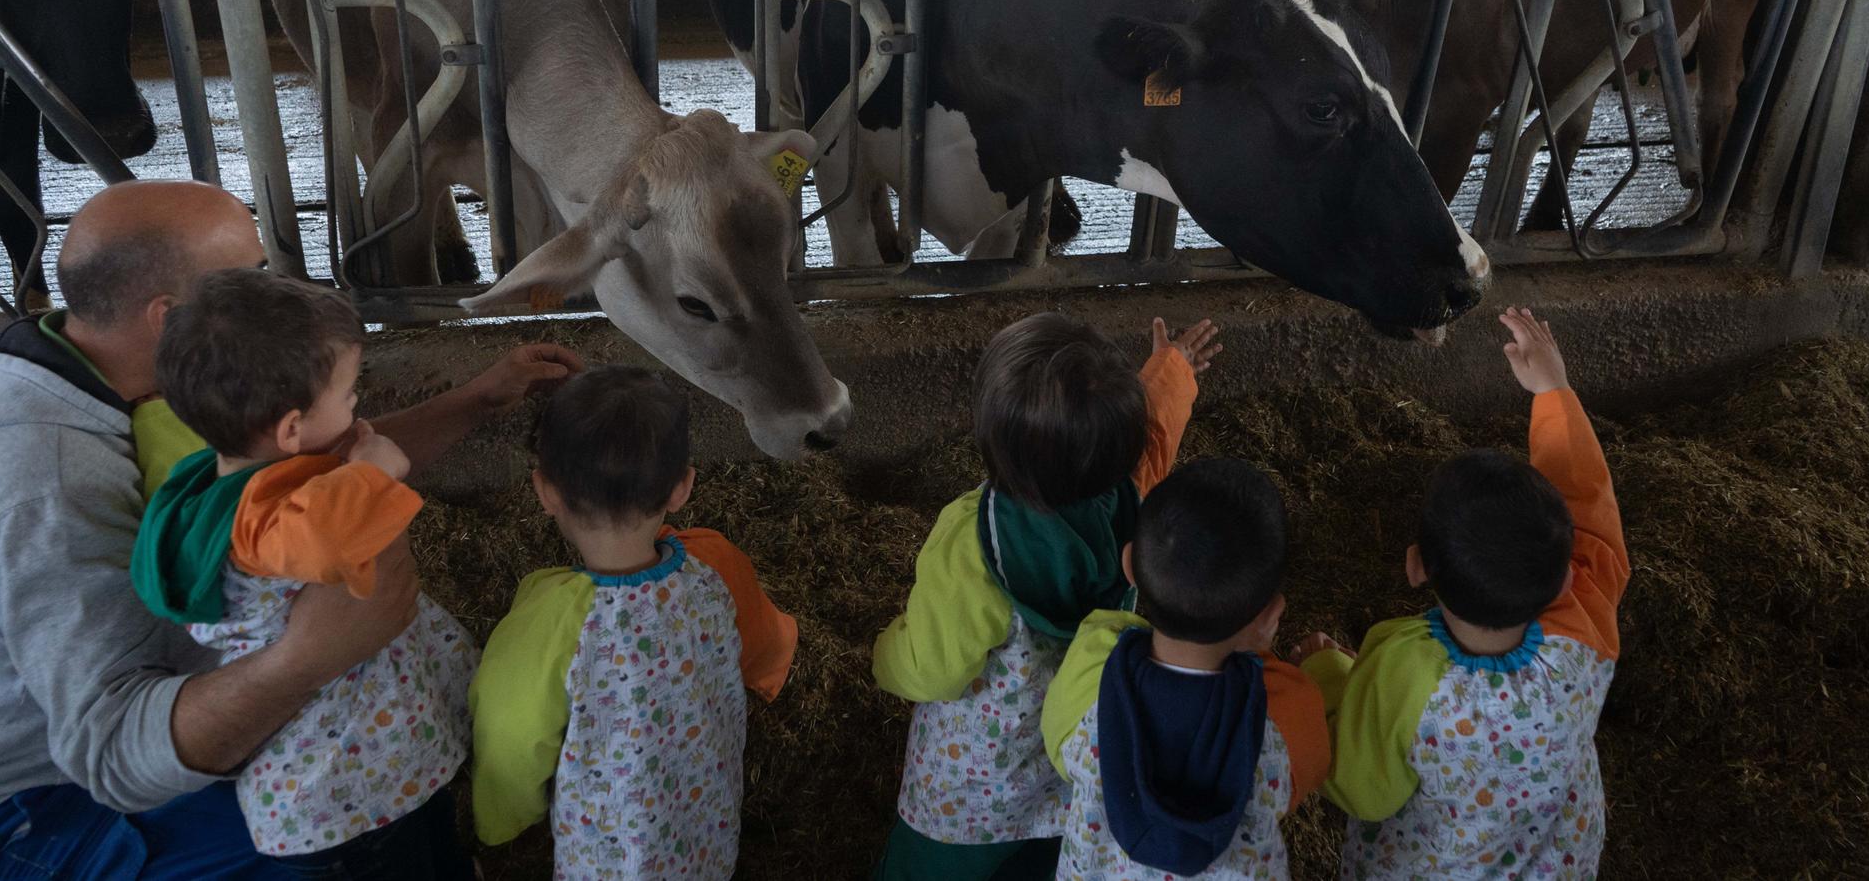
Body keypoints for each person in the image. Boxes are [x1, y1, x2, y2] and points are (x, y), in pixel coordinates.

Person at [0, 180, 577, 880]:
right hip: (14, 808)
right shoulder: (49, 490)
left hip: (94, 730)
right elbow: (111, 754)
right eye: (252, 277)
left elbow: (289, 475)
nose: (279, 288)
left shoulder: (121, 384)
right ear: (170, 320)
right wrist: (306, 657)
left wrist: (473, 400)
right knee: (336, 823)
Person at [132, 269, 479, 877]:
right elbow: (322, 535)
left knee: (430, 837)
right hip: (343, 793)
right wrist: (374, 470)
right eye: (349, 395)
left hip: (368, 770)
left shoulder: (212, 483)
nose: (357, 407)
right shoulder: (272, 526)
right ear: (291, 429)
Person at [870, 312, 1222, 881]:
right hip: (1076, 752)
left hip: (974, 788)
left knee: (927, 867)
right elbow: (1150, 442)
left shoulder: (972, 538)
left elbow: (934, 670)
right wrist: (1171, 371)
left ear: (993, 444)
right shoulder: (1135, 507)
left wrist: (885, 654)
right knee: (1048, 853)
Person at [1292, 308, 1630, 880]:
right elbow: (1590, 512)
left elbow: (1362, 787)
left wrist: (1325, 674)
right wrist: (1554, 392)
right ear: (1568, 577)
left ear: (1416, 566)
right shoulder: (1583, 626)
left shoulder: (1406, 673)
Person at [469, 366, 799, 880]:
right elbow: (760, 642)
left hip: (605, 859)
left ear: (544, 491)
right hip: (704, 835)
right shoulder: (716, 566)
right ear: (682, 487)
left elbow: (510, 736)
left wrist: (501, 821)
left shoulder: (549, 618)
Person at [1038, 458, 1329, 880]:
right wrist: (1311, 667)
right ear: (1270, 615)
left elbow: (1058, 747)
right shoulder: (1286, 712)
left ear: (1130, 566)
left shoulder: (1092, 666)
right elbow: (1311, 772)